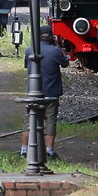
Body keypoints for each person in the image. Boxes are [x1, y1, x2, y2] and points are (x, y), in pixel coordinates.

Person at [21, 25, 71, 160]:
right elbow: (66, 63)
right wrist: (58, 47)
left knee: (29, 121)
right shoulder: (56, 51)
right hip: (51, 93)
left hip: (33, 93)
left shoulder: (29, 50)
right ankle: (49, 150)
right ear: (51, 37)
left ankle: (24, 149)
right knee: (50, 121)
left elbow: (26, 65)